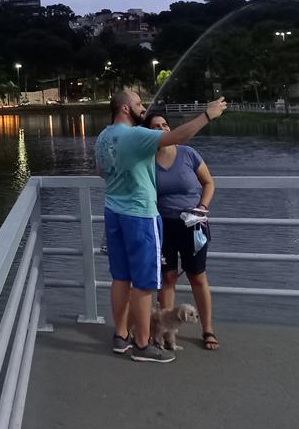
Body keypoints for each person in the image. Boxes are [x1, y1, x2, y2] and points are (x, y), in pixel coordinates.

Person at [94, 90, 226, 363]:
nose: (143, 107)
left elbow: (101, 171)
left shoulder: (103, 137)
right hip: (140, 216)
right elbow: (178, 137)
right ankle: (143, 345)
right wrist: (207, 114)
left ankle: (121, 336)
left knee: (120, 278)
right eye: (139, 103)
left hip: (113, 212)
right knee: (144, 284)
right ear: (127, 109)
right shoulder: (135, 136)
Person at [145, 112, 219, 351]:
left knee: (197, 277)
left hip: (193, 224)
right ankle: (165, 332)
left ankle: (207, 329)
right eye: (155, 126)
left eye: (165, 124)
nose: (162, 128)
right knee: (166, 278)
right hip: (163, 225)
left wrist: (203, 207)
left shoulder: (188, 154)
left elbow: (209, 183)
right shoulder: (147, 160)